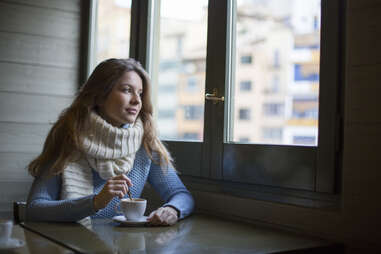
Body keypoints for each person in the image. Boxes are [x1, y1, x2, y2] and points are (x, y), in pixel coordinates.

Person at [25, 58, 194, 226]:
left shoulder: (146, 143)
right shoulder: (68, 139)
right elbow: (35, 208)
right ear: (99, 96)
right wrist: (95, 202)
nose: (137, 100)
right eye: (127, 90)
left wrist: (172, 209)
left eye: (140, 93)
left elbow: (181, 195)